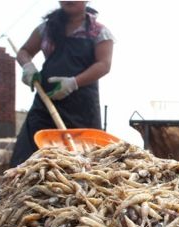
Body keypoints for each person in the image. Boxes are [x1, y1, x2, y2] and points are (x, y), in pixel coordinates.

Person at [9, 1, 114, 167]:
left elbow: (104, 64)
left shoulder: (99, 32)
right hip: (46, 105)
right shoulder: (46, 29)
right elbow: (24, 51)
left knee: (84, 164)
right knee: (27, 160)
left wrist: (73, 82)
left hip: (82, 110)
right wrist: (28, 66)